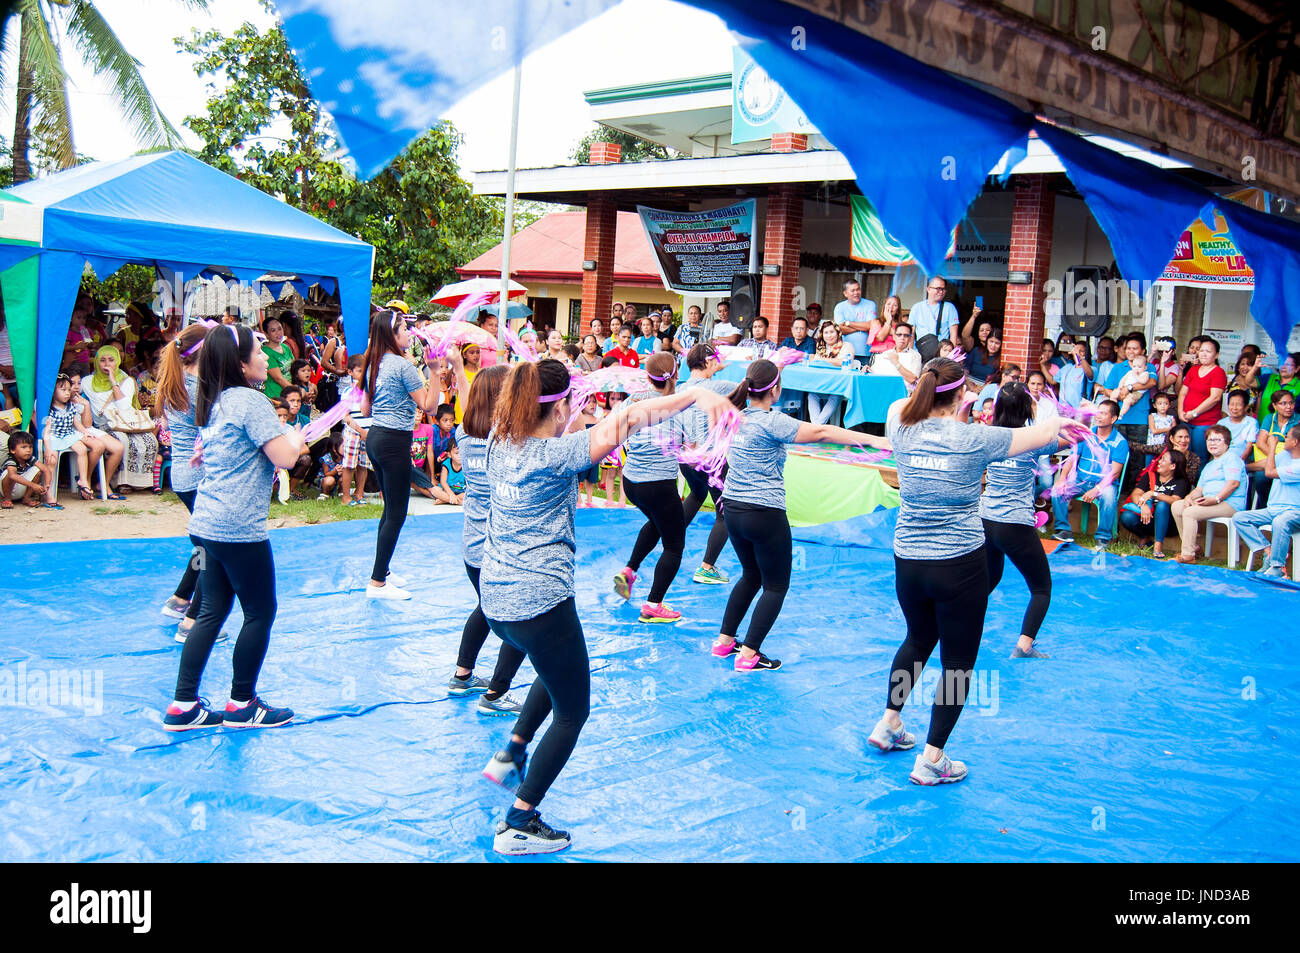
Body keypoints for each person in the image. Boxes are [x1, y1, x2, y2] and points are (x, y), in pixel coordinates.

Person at [478, 357, 732, 855]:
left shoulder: (499, 442)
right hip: (539, 601)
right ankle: (519, 820)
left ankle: (512, 750)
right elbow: (629, 419)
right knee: (574, 711)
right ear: (556, 409)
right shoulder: (555, 454)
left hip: (497, 599)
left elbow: (610, 420)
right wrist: (697, 395)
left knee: (557, 676)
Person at [869, 357, 1073, 783]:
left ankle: (889, 722)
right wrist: (1063, 415)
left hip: (908, 559)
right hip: (958, 564)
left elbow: (928, 409)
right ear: (962, 394)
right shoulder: (977, 438)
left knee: (918, 639)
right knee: (957, 662)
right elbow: (1045, 432)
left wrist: (965, 398)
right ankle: (932, 758)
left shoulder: (901, 428)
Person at [162, 323, 307, 731]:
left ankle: (183, 705)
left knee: (210, 611)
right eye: (259, 352)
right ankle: (243, 703)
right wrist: (294, 437)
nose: (266, 357)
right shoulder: (249, 400)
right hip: (237, 527)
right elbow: (285, 458)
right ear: (241, 364)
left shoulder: (218, 399)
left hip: (205, 523)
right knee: (260, 612)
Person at [711, 359, 890, 671]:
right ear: (776, 389)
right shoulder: (771, 421)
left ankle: (725, 641)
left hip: (734, 509)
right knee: (776, 585)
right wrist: (874, 439)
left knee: (751, 575)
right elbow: (820, 432)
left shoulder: (734, 417)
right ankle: (749, 653)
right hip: (763, 510)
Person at [361, 309, 444, 600]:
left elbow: (365, 410)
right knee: (396, 513)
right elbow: (430, 407)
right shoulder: (402, 365)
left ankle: (381, 571)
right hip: (393, 441)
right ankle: (376, 584)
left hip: (376, 438)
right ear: (392, 335)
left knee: (389, 511)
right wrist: (434, 372)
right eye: (403, 328)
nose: (409, 332)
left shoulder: (375, 363)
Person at [981, 382, 1056, 658]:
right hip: (1013, 524)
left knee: (987, 582)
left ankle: (950, 628)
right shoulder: (1032, 439)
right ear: (1027, 408)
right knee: (1041, 588)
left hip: (986, 520)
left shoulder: (987, 436)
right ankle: (1024, 646)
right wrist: (1084, 418)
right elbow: (1071, 438)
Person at [155, 324, 220, 642]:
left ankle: (180, 600)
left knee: (204, 546)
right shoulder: (198, 387)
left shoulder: (177, 381)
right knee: (215, 552)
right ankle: (193, 622)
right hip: (201, 476)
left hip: (183, 476)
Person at [678, 343, 735, 585]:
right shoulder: (716, 386)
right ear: (709, 362)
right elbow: (751, 386)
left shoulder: (681, 388)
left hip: (687, 457)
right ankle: (706, 567)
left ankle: (670, 542)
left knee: (696, 495)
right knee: (726, 512)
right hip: (710, 458)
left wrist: (715, 368)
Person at [1050, 399, 1129, 550]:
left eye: (1104, 414)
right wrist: (1061, 478)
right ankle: (1064, 531)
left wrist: (1097, 489)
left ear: (1113, 419)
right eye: (1098, 412)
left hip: (1105, 484)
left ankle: (1103, 538)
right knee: (1057, 489)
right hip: (1081, 480)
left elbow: (1115, 473)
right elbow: (1072, 458)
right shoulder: (1086, 434)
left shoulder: (1120, 442)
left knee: (1108, 496)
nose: (1099, 416)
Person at [84, 346, 158, 492]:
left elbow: (124, 406)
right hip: (105, 425)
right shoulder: (87, 382)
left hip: (127, 422)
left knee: (149, 440)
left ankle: (137, 481)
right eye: (103, 360)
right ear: (96, 362)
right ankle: (118, 482)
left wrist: (113, 381)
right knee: (121, 440)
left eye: (111, 360)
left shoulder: (126, 381)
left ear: (117, 361)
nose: (107, 364)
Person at [1171, 424, 1245, 564]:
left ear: (1226, 443)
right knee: (1177, 506)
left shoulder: (1231, 458)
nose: (1212, 443)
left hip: (1229, 503)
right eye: (1210, 440)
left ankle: (1188, 555)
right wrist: (1188, 498)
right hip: (1210, 501)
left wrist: (1216, 499)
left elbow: (1233, 484)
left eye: (1217, 440)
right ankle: (1194, 547)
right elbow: (1199, 489)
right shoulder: (1209, 465)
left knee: (1190, 513)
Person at [1232, 423, 1300, 579]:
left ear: (1295, 442)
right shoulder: (1285, 455)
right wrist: (1243, 467)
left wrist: (1272, 446)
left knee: (1280, 522)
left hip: (1294, 511)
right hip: (1273, 510)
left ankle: (1277, 567)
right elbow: (1266, 464)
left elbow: (1269, 472)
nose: (1284, 439)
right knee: (1240, 518)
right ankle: (1268, 551)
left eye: (1287, 436)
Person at [1120, 448, 1190, 559]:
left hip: (1169, 524)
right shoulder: (1150, 476)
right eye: (1160, 459)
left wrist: (1154, 494)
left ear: (1173, 466)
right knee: (1127, 516)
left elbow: (1176, 500)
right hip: (1149, 519)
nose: (1159, 462)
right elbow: (1135, 494)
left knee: (1163, 505)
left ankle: (1158, 547)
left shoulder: (1181, 482)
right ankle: (1144, 537)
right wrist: (1143, 506)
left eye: (1163, 460)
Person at [1177, 337, 1227, 462]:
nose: (1203, 353)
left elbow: (1215, 398)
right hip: (1186, 419)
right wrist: (1180, 412)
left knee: (1199, 457)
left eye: (1208, 351)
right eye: (1201, 350)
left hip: (1204, 422)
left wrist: (1194, 413)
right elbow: (1183, 392)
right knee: (1183, 455)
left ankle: (1198, 482)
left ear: (1216, 355)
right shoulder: (1194, 370)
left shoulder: (1218, 372)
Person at [1250, 390, 1296, 507]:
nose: (1288, 407)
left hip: (1289, 460)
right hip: (1270, 457)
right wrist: (1274, 457)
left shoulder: (1298, 420)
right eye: (1283, 403)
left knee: (1263, 474)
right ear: (1275, 405)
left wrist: (1273, 459)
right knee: (1261, 477)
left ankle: (1246, 467)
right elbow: (1260, 442)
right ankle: (1266, 507)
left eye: (1291, 403)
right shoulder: (1269, 418)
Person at [339, 355, 372, 506]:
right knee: (349, 464)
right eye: (359, 371)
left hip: (368, 431)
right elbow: (346, 416)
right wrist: (359, 430)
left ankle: (359, 493)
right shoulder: (348, 392)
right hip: (353, 431)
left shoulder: (370, 390)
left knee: (363, 464)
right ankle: (346, 496)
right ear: (350, 372)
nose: (363, 374)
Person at [807, 321, 854, 425]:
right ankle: (817, 425)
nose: (829, 335)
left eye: (832, 332)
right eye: (826, 333)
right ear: (822, 335)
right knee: (811, 394)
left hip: (840, 385)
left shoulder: (846, 346)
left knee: (835, 395)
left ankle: (816, 426)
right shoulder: (821, 348)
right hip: (823, 383)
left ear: (838, 333)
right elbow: (814, 362)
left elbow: (845, 362)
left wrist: (823, 359)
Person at [2, 430, 53, 509]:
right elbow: (12, 475)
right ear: (12, 450)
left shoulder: (30, 459)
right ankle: (7, 499)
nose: (28, 450)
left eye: (30, 447)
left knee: (37, 470)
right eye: (24, 447)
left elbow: (45, 469)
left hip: (21, 488)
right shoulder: (11, 461)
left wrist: (47, 485)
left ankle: (26, 498)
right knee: (9, 474)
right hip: (7, 490)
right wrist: (33, 485)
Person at [908, 276, 960, 346]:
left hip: (941, 352)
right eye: (938, 288)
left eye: (943, 289)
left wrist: (950, 354)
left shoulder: (949, 308)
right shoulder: (917, 307)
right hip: (920, 351)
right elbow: (911, 333)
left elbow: (953, 335)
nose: (941, 292)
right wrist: (911, 353)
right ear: (928, 289)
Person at [832, 279, 877, 355]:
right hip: (844, 353)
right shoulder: (839, 307)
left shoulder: (870, 304)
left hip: (865, 352)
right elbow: (839, 329)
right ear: (845, 293)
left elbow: (870, 326)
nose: (856, 293)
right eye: (852, 290)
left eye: (858, 289)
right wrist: (861, 328)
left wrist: (847, 323)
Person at [1257, 352, 1300, 423]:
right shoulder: (1269, 378)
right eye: (1281, 363)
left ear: (1297, 369)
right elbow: (1247, 382)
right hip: (1264, 428)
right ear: (1274, 405)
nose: (1283, 367)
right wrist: (1256, 366)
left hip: (1288, 430)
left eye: (1288, 364)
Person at [260, 318, 295, 400]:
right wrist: (296, 391)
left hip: (289, 394)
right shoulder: (266, 351)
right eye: (273, 330)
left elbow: (295, 368)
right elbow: (278, 378)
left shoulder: (285, 347)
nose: (278, 333)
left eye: (279, 329)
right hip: (276, 396)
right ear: (266, 334)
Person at [1221, 389, 1259, 463]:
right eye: (1232, 404)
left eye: (1238, 405)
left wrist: (1238, 462)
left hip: (1241, 460)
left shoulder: (1251, 422)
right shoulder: (1222, 423)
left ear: (1246, 407)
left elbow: (1249, 447)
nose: (1234, 408)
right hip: (1223, 459)